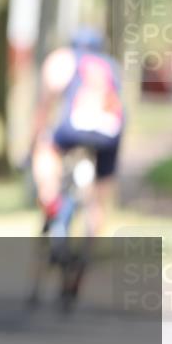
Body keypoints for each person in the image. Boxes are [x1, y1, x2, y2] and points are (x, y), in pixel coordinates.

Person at [30, 27, 125, 239]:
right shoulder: (112, 67)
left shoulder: (64, 59)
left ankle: (51, 199)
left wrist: (34, 141)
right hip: (110, 131)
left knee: (46, 149)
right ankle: (89, 245)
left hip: (74, 127)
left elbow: (44, 106)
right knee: (100, 196)